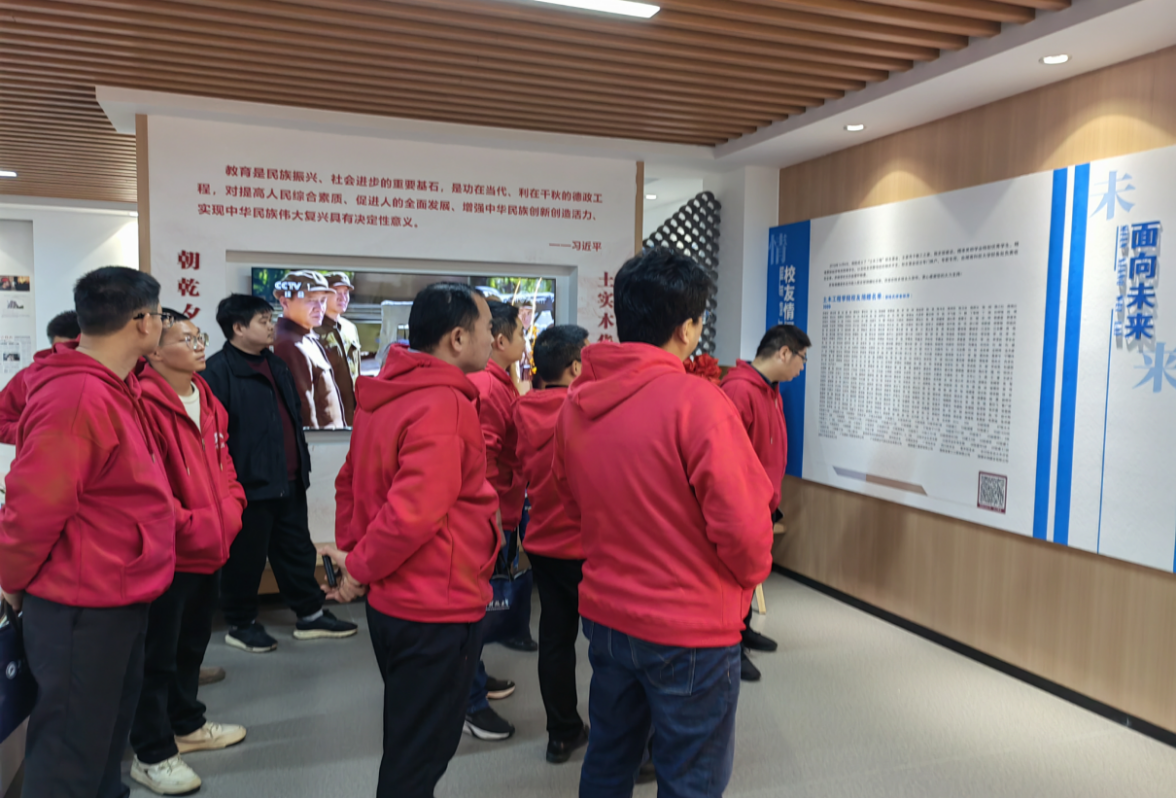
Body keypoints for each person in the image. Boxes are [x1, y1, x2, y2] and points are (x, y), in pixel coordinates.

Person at [553, 248, 775, 798]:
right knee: (691, 777)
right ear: (686, 328)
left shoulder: (577, 404)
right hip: (690, 627)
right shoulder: (699, 403)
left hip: (608, 617)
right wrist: (744, 582)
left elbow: (571, 502)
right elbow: (745, 531)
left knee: (608, 761)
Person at [0, 267, 176, 798]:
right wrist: (11, 579)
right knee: (69, 755)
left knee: (102, 745)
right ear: (142, 322)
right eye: (161, 316)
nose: (162, 326)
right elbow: (34, 509)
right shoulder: (76, 395)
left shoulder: (116, 386)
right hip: (82, 605)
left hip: (116, 594)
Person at [319, 282, 499, 798]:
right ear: (458, 338)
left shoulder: (385, 393)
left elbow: (350, 483)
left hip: (395, 602)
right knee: (421, 752)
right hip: (436, 606)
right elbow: (412, 514)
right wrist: (358, 568)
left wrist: (357, 563)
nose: (493, 339)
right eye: (488, 328)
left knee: (408, 737)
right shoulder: (444, 404)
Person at [130, 309, 249, 795]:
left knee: (192, 647)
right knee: (156, 656)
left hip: (211, 546)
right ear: (155, 351)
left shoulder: (207, 395)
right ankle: (152, 753)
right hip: (171, 552)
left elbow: (225, 463)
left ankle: (187, 725)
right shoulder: (142, 402)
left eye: (199, 337)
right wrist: (192, 524)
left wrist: (232, 508)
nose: (200, 346)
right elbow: (148, 489)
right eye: (186, 339)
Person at [204, 294, 357, 654]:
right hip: (248, 485)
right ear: (238, 328)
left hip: (288, 478)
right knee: (246, 558)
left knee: (296, 550)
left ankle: (310, 614)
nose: (271, 326)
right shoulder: (217, 372)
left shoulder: (277, 365)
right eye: (262, 321)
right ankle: (241, 623)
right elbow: (215, 436)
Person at [514, 324, 590, 764]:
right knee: (608, 647)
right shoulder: (585, 411)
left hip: (542, 541)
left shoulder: (523, 410)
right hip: (586, 545)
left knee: (555, 639)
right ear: (576, 366)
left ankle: (561, 733)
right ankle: (621, 738)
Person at [719, 323, 811, 682]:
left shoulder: (770, 391)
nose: (801, 367)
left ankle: (743, 631)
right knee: (733, 580)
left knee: (749, 577)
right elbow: (727, 457)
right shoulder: (739, 390)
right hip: (742, 505)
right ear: (784, 352)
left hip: (762, 502)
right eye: (801, 358)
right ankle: (730, 648)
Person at [463, 298, 530, 743]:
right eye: (521, 333)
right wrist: (490, 518)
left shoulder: (500, 382)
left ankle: (476, 678)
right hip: (492, 513)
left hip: (502, 509)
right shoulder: (487, 387)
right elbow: (484, 460)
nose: (525, 341)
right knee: (475, 609)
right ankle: (470, 701)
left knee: (480, 607)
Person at [272, 269, 345, 430]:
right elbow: (303, 414)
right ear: (285, 302)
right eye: (311, 300)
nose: (320, 308)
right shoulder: (289, 345)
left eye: (323, 300)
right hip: (319, 443)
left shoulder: (304, 337)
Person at [0, 309, 80, 445]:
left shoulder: (107, 378)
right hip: (40, 455)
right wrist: (36, 432)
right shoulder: (28, 377)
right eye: (60, 351)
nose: (66, 357)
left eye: (73, 351)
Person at [315, 271, 361, 426]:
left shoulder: (350, 328)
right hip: (328, 416)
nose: (343, 297)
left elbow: (357, 372)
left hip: (354, 415)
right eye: (336, 292)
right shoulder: (313, 330)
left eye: (346, 292)